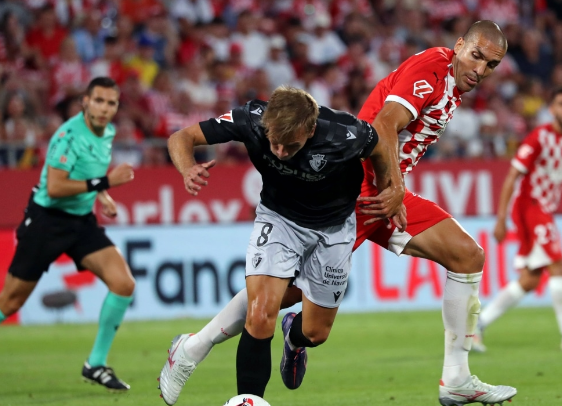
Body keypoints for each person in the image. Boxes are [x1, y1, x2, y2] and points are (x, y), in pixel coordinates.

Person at [159, 20, 517, 406]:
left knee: (467, 256)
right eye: (476, 56)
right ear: (460, 45)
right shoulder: (430, 69)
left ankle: (456, 380)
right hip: (361, 191)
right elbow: (383, 126)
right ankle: (194, 348)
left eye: (490, 65)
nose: (480, 70)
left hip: (385, 192)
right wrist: (393, 188)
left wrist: (395, 189)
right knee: (280, 292)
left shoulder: (451, 81)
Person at [161, 85, 403, 401]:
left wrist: (393, 188)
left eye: (290, 146)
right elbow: (181, 138)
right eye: (274, 142)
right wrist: (187, 168)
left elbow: (380, 147)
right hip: (279, 220)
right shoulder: (250, 118)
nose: (279, 152)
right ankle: (249, 399)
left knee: (316, 333)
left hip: (334, 229)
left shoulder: (345, 133)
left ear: (311, 129)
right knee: (261, 313)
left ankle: (294, 335)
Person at [0, 77, 136, 401]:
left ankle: (96, 363)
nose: (104, 108)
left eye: (111, 103)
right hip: (47, 221)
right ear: (85, 102)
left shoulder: (108, 132)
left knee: (124, 283)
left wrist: (102, 195)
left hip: (81, 222)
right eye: (98, 101)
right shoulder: (68, 136)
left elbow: (86, 173)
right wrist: (107, 182)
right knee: (10, 301)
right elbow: (56, 187)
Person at [472, 86, 562, 353]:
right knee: (559, 268)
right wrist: (501, 219)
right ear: (552, 109)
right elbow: (512, 177)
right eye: (561, 104)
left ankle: (476, 327)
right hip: (530, 207)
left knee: (531, 279)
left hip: (543, 209)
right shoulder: (539, 138)